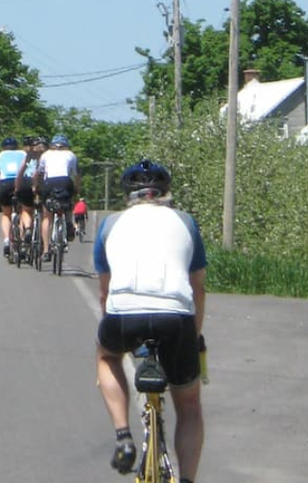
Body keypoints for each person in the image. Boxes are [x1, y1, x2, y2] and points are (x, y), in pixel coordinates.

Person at [93, 159, 206, 483]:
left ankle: (123, 436)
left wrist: (116, 327)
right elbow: (197, 287)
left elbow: (105, 291)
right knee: (189, 405)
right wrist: (192, 336)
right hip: (177, 319)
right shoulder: (186, 222)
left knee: (106, 356)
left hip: (123, 315)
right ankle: (186, 480)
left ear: (129, 195)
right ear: (165, 193)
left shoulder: (110, 224)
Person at [35, 134, 79, 258]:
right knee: (69, 200)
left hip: (49, 182)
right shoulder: (71, 155)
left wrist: (37, 187)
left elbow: (40, 172)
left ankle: (46, 250)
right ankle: (69, 222)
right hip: (65, 181)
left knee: (47, 216)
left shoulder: (46, 155)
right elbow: (76, 175)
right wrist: (77, 188)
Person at [0, 137, 25, 256]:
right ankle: (22, 239)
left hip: (5, 184)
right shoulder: (22, 153)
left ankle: (7, 239)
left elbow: (0, 174)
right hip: (20, 182)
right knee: (24, 212)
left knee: (6, 214)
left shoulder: (1, 155)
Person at [15, 135, 47, 235]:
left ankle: (28, 228)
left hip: (26, 182)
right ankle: (42, 235)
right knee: (44, 212)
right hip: (42, 183)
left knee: (26, 210)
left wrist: (17, 187)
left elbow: (20, 172)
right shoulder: (46, 157)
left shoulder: (28, 156)